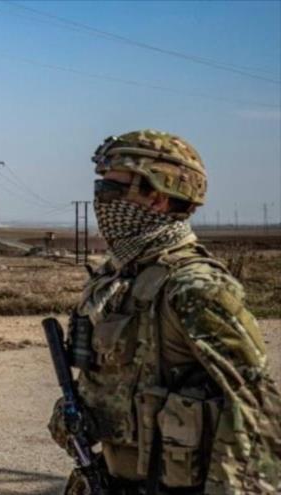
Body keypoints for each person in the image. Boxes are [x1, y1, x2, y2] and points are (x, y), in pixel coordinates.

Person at [48, 130, 281, 493]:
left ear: (156, 198)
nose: (101, 198)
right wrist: (80, 411)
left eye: (112, 188)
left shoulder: (194, 287)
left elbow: (255, 405)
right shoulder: (120, 276)